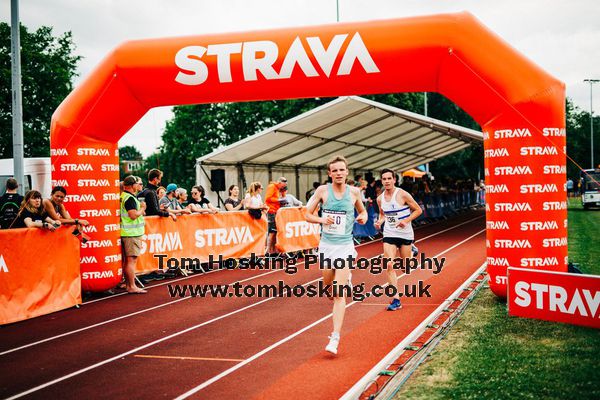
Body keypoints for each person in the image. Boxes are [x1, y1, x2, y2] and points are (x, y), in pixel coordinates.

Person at [305, 155, 367, 355]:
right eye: (335, 170)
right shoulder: (323, 191)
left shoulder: (355, 192)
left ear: (347, 172)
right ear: (330, 173)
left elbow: (363, 212)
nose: (339, 173)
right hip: (326, 246)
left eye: (342, 170)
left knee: (339, 294)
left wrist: (362, 217)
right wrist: (323, 220)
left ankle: (335, 337)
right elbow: (306, 214)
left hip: (345, 247)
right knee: (329, 290)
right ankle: (341, 281)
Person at [374, 168, 423, 311]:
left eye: (389, 178)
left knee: (405, 268)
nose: (387, 181)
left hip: (405, 234)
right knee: (389, 265)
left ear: (394, 180)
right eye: (384, 179)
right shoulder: (380, 198)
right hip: (389, 233)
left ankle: (412, 251)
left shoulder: (402, 194)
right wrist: (379, 222)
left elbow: (418, 210)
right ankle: (396, 300)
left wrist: (406, 221)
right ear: (382, 181)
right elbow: (382, 214)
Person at [120, 175, 147, 294]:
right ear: (133, 185)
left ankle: (128, 284)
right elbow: (133, 215)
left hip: (127, 232)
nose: (139, 185)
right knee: (131, 260)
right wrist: (142, 209)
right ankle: (131, 286)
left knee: (128, 260)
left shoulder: (124, 196)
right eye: (137, 183)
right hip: (131, 233)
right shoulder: (129, 198)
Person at [265, 177, 288, 255]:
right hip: (271, 211)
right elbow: (267, 199)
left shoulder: (278, 188)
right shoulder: (272, 187)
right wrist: (279, 200)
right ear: (280, 183)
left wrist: (283, 195)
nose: (283, 187)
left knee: (275, 232)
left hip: (276, 211)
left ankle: (273, 250)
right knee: (272, 232)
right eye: (283, 185)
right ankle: (268, 251)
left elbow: (282, 197)